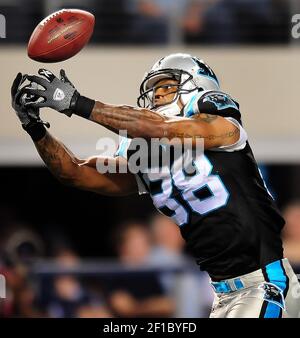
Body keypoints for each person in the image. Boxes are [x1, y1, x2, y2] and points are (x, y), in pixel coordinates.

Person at [11, 52, 300, 317]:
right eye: (154, 89)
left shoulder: (220, 125)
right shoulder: (150, 155)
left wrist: (78, 103)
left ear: (198, 85)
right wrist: (34, 128)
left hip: (264, 284)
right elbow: (74, 172)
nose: (158, 94)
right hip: (222, 293)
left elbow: (163, 128)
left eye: (168, 86)